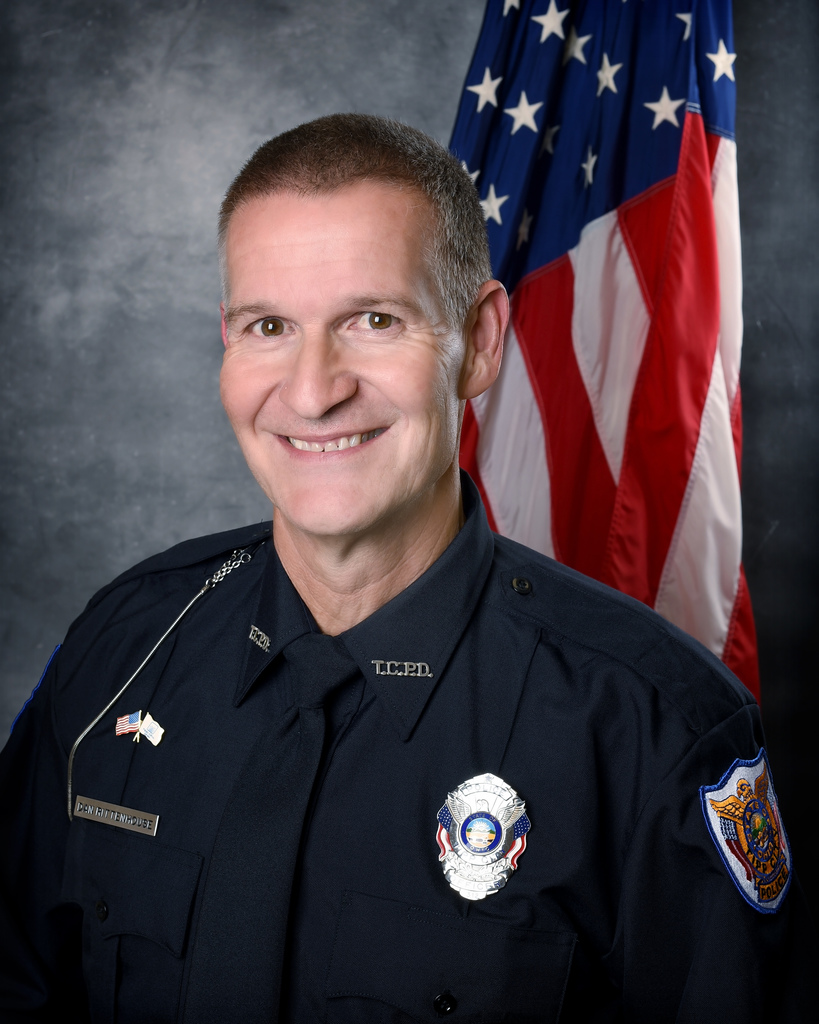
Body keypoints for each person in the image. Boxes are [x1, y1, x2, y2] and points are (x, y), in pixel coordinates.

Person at [0, 113, 815, 1023]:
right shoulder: (123, 649)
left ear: (481, 340)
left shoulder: (652, 728)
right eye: (269, 325)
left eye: (374, 320)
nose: (312, 391)